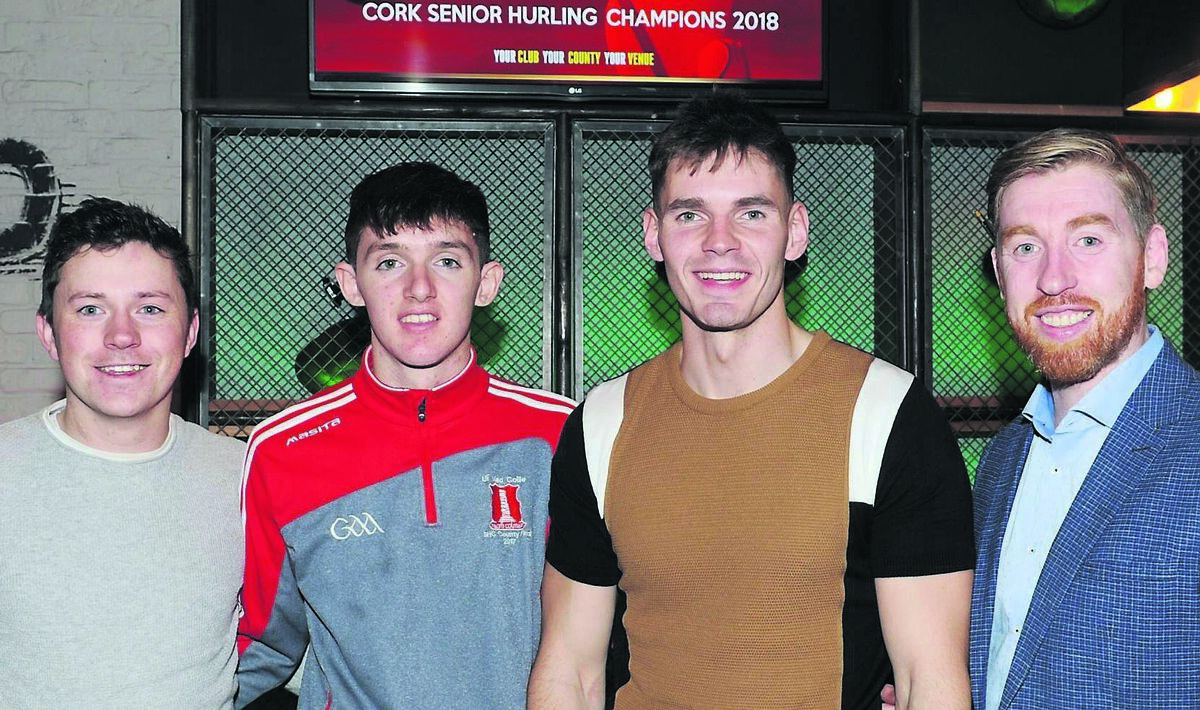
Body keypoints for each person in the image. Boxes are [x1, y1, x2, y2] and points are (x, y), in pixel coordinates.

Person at [528, 92, 975, 710]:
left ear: (795, 233)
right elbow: (569, 671)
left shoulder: (890, 416)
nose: (720, 242)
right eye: (689, 215)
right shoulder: (603, 425)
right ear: (654, 237)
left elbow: (931, 679)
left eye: (752, 213)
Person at [235, 162, 574, 708]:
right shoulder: (281, 450)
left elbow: (605, 631)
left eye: (446, 260)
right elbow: (258, 645)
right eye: (390, 262)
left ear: (486, 282)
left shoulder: (558, 435)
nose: (419, 289)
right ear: (351, 284)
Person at [972, 128, 1200, 708]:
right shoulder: (1001, 462)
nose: (1053, 279)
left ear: (1152, 258)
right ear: (1000, 273)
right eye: (1025, 247)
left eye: (1089, 240)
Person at [0, 197, 245, 707]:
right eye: (91, 309)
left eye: (150, 308)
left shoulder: (248, 479)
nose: (122, 336)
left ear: (190, 333)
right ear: (49, 333)